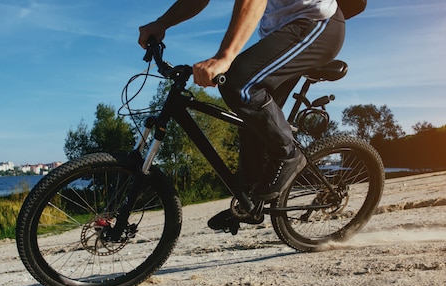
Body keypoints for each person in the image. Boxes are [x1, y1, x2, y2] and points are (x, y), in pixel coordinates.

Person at [139, 0, 346, 233]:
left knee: (238, 83)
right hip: (282, 32)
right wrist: (162, 23)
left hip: (318, 24)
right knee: (252, 116)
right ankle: (249, 202)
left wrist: (225, 56)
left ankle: (289, 153)